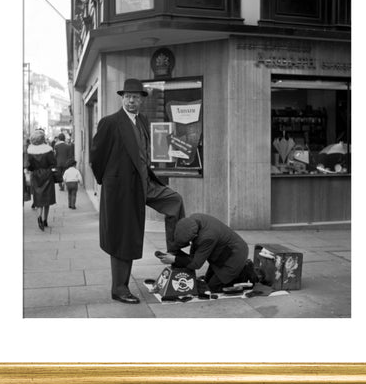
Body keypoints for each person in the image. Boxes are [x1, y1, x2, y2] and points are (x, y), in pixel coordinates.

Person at [90, 78, 185, 304]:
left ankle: (174, 255)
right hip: (122, 189)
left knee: (174, 201)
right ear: (122, 98)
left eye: (135, 97)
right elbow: (96, 157)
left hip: (145, 183)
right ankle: (119, 288)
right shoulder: (110, 122)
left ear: (142, 100)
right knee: (124, 236)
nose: (131, 100)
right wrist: (111, 182)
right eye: (128, 96)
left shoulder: (142, 120)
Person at [158, 213, 258, 293]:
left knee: (213, 287)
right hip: (222, 254)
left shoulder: (207, 237)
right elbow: (194, 253)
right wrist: (176, 255)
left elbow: (196, 264)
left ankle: (244, 272)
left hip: (235, 256)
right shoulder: (194, 220)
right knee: (206, 282)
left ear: (195, 235)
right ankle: (235, 272)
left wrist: (174, 259)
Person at [27, 129, 56, 231]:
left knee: (38, 197)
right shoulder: (48, 149)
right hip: (47, 175)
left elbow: (29, 166)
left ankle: (39, 216)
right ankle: (45, 220)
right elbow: (53, 163)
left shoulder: (30, 151)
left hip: (36, 175)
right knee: (47, 197)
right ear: (42, 138)